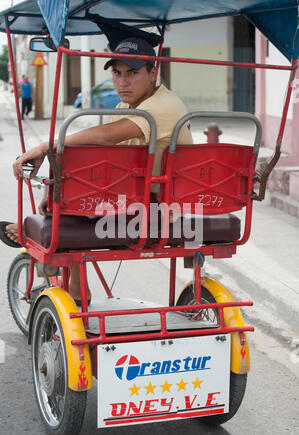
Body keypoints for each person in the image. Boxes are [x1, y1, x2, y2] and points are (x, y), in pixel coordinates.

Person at [4, 37, 193, 305]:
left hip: (160, 210)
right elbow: (106, 161)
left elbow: (106, 136)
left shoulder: (161, 107)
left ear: (153, 74)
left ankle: (78, 290)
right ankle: (70, 270)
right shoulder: (126, 107)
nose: (123, 82)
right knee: (69, 200)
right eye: (117, 73)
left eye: (132, 73)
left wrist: (46, 146)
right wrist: (58, 189)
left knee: (67, 216)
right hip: (138, 200)